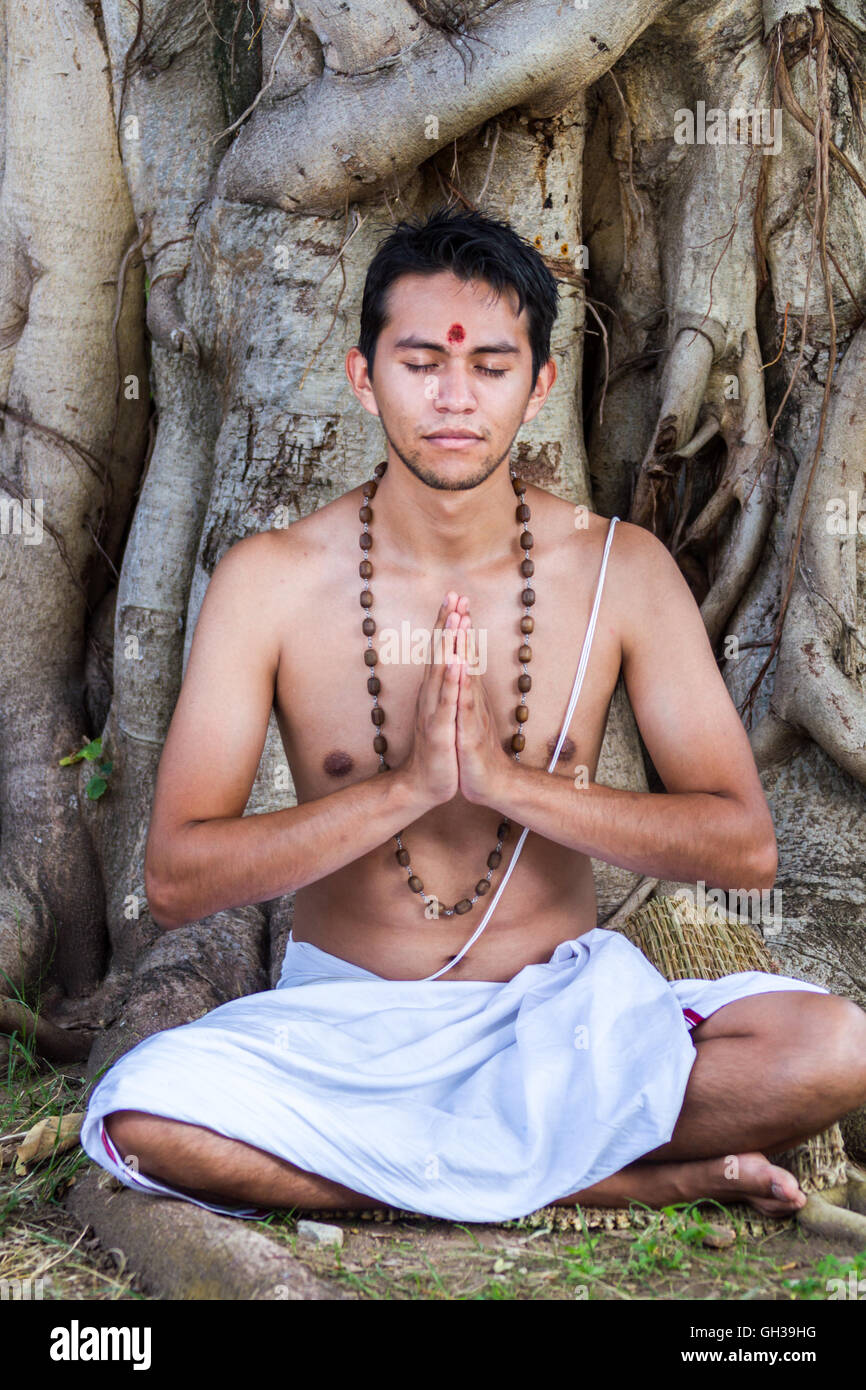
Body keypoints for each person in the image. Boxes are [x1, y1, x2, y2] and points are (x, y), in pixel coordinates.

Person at [80, 205, 866, 1224]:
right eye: (420, 363)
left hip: (561, 1025)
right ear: (364, 378)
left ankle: (427, 1176)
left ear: (539, 385)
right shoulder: (269, 579)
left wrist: (505, 785)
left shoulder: (619, 571)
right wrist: (406, 789)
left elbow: (741, 849)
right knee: (145, 1116)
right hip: (344, 1031)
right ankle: (605, 1178)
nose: (454, 398)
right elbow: (179, 879)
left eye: (490, 367)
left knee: (831, 1046)